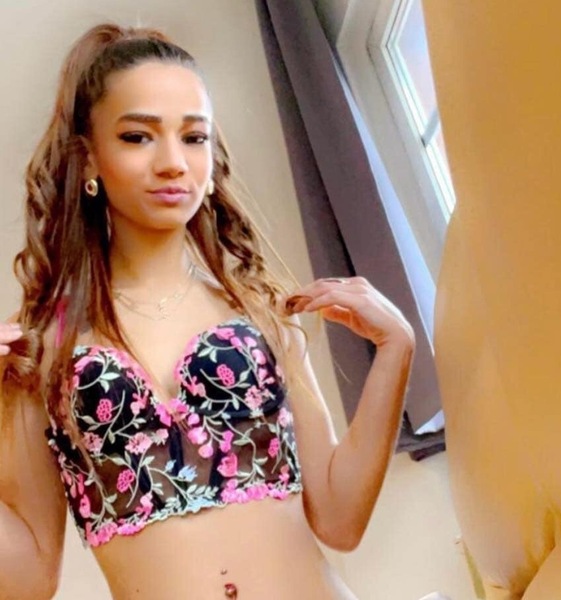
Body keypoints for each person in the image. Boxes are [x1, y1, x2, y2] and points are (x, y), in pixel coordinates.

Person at [0, 23, 415, 600]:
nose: (174, 162)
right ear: (88, 158)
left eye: (194, 137)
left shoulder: (258, 315)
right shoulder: (42, 353)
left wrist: (396, 350)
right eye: (138, 136)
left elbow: (340, 521)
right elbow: (27, 579)